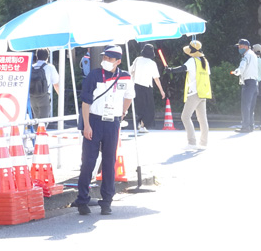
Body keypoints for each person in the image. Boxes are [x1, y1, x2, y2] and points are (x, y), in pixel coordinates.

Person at [73, 45, 135, 216]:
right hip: (93, 121)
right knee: (88, 162)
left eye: (109, 58)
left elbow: (129, 96)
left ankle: (106, 202)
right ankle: (82, 200)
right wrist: (86, 125)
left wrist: (123, 112)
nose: (105, 61)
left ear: (118, 61)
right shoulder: (94, 75)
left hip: (112, 123)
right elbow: (85, 102)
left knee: (109, 163)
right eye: (104, 58)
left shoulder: (125, 77)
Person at [165, 40, 211, 150]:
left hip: (194, 93)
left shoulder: (192, 60)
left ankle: (192, 142)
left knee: (185, 117)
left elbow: (182, 69)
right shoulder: (204, 61)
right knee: (202, 119)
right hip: (203, 92)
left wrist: (170, 70)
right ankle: (203, 143)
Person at [129, 43, 165, 131]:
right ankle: (143, 125)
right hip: (147, 86)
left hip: (136, 85)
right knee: (148, 107)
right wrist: (161, 90)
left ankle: (139, 123)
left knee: (139, 106)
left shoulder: (137, 59)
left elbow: (130, 71)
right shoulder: (152, 63)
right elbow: (156, 78)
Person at [231, 39, 258, 133]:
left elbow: (242, 66)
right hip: (255, 83)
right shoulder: (254, 55)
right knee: (251, 106)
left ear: (246, 46)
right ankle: (251, 126)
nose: (239, 48)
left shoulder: (246, 55)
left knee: (245, 106)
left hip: (248, 83)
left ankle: (245, 127)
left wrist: (236, 72)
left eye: (240, 46)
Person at [29, 49, 60, 123]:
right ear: (47, 57)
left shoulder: (31, 67)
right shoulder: (50, 67)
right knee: (44, 121)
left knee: (35, 120)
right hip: (44, 97)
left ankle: (36, 133)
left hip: (32, 97)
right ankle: (40, 134)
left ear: (37, 56)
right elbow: (56, 84)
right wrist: (61, 96)